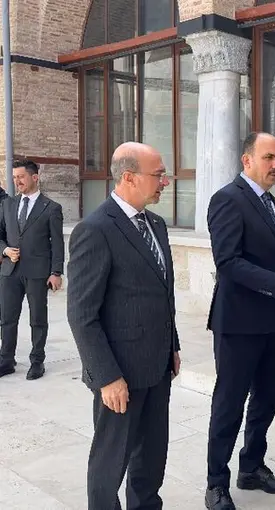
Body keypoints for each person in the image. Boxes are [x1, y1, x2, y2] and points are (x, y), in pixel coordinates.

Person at [67, 142, 181, 510]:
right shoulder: (95, 229)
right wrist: (106, 377)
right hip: (120, 374)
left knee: (152, 456)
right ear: (129, 177)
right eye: (158, 174)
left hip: (157, 365)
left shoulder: (156, 224)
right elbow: (82, 314)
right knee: (110, 461)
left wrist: (173, 345)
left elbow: (163, 294)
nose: (165, 181)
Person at [205, 132, 275, 510]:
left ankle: (251, 466)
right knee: (229, 405)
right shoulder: (227, 199)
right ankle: (217, 481)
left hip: (271, 322)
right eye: (269, 158)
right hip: (238, 324)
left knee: (267, 398)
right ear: (247, 160)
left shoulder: (271, 203)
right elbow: (228, 263)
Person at [0, 159, 64, 380]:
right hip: (10, 272)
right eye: (14, 177)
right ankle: (6, 360)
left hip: (38, 272)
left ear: (35, 177)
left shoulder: (52, 208)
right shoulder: (7, 205)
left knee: (37, 319)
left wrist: (56, 272)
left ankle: (37, 361)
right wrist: (6, 250)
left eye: (21, 177)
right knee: (7, 318)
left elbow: (57, 243)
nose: (17, 181)